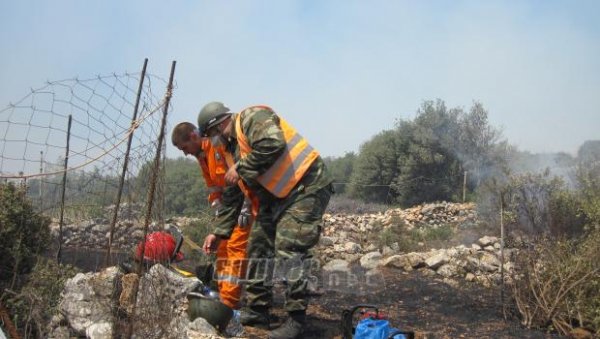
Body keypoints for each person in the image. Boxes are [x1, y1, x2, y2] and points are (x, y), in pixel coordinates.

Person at [197, 102, 334, 339]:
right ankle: (258, 312)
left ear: (217, 127)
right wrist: (218, 233)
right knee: (257, 247)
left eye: (210, 136)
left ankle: (296, 320)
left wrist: (241, 167)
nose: (212, 142)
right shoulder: (232, 149)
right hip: (279, 197)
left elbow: (273, 143)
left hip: (307, 186)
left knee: (289, 249)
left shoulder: (251, 118)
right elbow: (232, 195)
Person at [171, 122, 258, 314]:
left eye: (184, 148)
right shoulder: (202, 156)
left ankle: (229, 303)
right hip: (228, 208)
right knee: (223, 247)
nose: (185, 153)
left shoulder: (219, 145)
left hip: (244, 202)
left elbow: (243, 175)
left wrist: (246, 206)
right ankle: (224, 296)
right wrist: (218, 219)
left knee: (235, 246)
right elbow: (215, 189)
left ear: (194, 136)